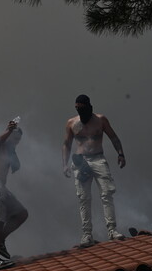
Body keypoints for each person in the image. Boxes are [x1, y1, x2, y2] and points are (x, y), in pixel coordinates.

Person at [62, 94, 126, 247]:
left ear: (89, 107)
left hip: (98, 159)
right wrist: (65, 164)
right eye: (77, 108)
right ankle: (87, 234)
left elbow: (114, 137)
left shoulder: (100, 120)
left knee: (107, 193)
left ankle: (112, 230)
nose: (80, 111)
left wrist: (121, 153)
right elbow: (66, 144)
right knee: (84, 198)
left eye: (82, 108)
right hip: (80, 161)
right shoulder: (72, 122)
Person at [0, 120, 28, 271]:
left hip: (1, 187)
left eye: (18, 140)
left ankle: (0, 240)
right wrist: (9, 130)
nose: (16, 142)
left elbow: (16, 164)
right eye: (14, 138)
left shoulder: (9, 151)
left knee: (21, 214)